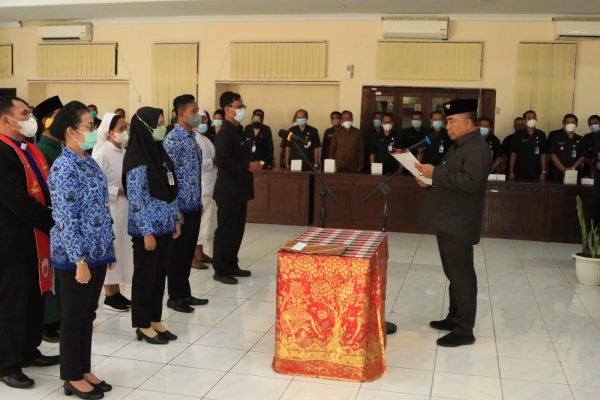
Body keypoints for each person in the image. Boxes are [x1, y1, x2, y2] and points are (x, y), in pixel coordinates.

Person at [48, 100, 115, 399]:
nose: (92, 130)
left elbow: (100, 207)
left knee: (88, 314)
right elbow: (65, 218)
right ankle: (72, 376)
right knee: (73, 317)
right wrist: (79, 260)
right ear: (71, 131)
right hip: (75, 256)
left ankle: (84, 369)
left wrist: (108, 247)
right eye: (89, 126)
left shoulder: (87, 160)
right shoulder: (63, 167)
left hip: (97, 251)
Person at [415, 98, 491, 347]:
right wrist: (430, 180)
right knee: (453, 273)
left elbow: (472, 183)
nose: (447, 127)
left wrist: (435, 173)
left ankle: (464, 330)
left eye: (451, 121)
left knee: (462, 275)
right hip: (448, 220)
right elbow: (452, 177)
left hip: (459, 222)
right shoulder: (460, 145)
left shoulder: (477, 147)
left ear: (468, 123)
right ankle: (454, 318)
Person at [0, 96, 58, 390]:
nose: (30, 119)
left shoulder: (28, 148)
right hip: (12, 240)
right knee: (12, 302)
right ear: (5, 120)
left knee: (35, 296)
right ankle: (7, 363)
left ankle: (28, 350)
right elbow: (15, 200)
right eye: (24, 114)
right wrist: (51, 219)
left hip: (35, 237)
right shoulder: (2, 151)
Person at [124, 107, 182, 346]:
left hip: (165, 226)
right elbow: (136, 201)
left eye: (162, 123)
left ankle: (155, 319)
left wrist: (175, 219)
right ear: (145, 127)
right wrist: (146, 231)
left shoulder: (160, 154)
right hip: (147, 231)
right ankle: (142, 323)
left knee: (159, 276)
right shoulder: (137, 161)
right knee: (145, 278)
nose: (161, 128)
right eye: (157, 124)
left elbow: (171, 188)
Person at [163, 95, 208, 313]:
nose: (198, 114)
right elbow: (168, 177)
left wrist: (198, 201)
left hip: (193, 204)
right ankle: (175, 297)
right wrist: (174, 210)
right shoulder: (173, 140)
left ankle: (185, 292)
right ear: (182, 114)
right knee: (178, 254)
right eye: (194, 111)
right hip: (180, 207)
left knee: (188, 251)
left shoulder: (192, 136)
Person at [213, 91, 262, 285]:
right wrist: (247, 166)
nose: (242, 110)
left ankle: (232, 264)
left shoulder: (238, 130)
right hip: (228, 190)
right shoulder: (225, 133)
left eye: (243, 107)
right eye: (238, 107)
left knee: (236, 231)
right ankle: (221, 269)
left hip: (240, 189)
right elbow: (222, 161)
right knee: (226, 231)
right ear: (227, 109)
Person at [92, 113, 134, 312]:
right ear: (109, 133)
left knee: (123, 251)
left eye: (126, 128)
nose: (125, 132)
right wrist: (119, 191)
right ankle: (109, 294)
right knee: (113, 249)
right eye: (121, 129)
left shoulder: (124, 152)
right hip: (111, 208)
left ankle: (117, 292)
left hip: (125, 208)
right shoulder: (102, 154)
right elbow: (95, 186)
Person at [32, 95, 64, 343]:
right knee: (49, 271)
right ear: (46, 121)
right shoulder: (42, 149)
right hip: (49, 218)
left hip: (61, 219)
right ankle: (49, 321)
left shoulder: (61, 146)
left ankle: (59, 316)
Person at [193, 109, 218, 270]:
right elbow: (197, 163)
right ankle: (193, 256)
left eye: (205, 119)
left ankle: (201, 253)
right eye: (200, 119)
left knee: (207, 225)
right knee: (199, 225)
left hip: (210, 187)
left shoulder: (204, 138)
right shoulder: (193, 138)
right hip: (201, 187)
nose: (203, 122)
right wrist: (214, 161)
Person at [509, 110, 547, 182]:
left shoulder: (541, 134)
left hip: (536, 171)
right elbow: (514, 153)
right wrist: (511, 172)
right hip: (520, 171)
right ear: (524, 121)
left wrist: (543, 172)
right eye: (529, 118)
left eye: (534, 117)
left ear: (536, 119)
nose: (532, 119)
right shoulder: (518, 134)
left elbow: (543, 154)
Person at [548, 114, 586, 183]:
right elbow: (553, 155)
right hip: (558, 172)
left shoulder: (581, 139)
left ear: (577, 124)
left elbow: (582, 156)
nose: (570, 124)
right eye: (568, 122)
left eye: (573, 122)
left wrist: (572, 169)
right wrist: (563, 169)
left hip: (574, 173)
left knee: (574, 189)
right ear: (564, 124)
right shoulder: (556, 137)